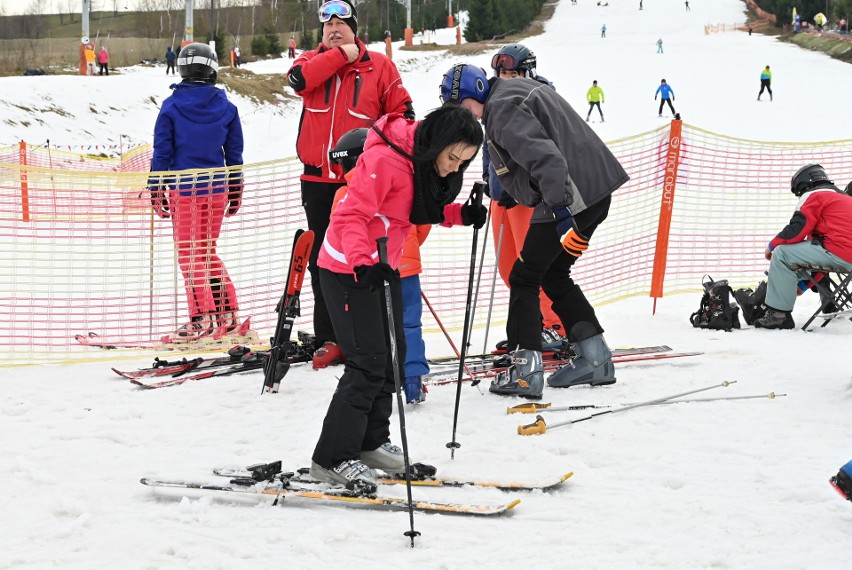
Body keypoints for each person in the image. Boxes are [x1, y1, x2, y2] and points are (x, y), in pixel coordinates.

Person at [309, 105, 486, 487]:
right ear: (436, 142)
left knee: (392, 358)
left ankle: (371, 443)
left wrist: (460, 215)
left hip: (381, 268)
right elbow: (349, 216)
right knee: (368, 363)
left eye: (464, 162)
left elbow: (412, 210)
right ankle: (331, 457)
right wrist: (361, 262)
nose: (454, 168)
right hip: (348, 271)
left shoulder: (419, 161)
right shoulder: (385, 160)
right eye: (452, 156)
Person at [440, 64, 630, 398]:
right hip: (595, 192)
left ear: (480, 90)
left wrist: (559, 210)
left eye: (464, 107)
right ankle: (595, 357)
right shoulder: (513, 93)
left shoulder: (501, 109)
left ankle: (524, 370)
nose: (463, 117)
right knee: (554, 274)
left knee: (525, 277)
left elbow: (546, 158)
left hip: (572, 197)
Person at [286, 0, 414, 370]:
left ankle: (362, 334)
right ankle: (329, 336)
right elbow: (299, 81)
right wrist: (340, 55)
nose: (334, 28)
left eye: (342, 23)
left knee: (361, 259)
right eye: (328, 25)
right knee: (322, 263)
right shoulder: (310, 62)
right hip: (316, 180)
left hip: (361, 183)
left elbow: (403, 116)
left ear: (355, 28)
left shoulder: (380, 67)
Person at [148, 43, 245, 340]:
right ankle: (226, 314)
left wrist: (156, 187)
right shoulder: (227, 107)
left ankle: (200, 318)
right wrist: (235, 187)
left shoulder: (171, 106)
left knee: (189, 256)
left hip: (185, 191)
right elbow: (234, 152)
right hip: (215, 188)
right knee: (205, 252)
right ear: (212, 68)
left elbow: (162, 151)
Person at [327, 128, 431, 405]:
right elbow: (422, 223)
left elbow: (342, 232)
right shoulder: (402, 185)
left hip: (374, 270)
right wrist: (409, 250)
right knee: (409, 324)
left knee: (382, 329)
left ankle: (386, 382)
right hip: (404, 265)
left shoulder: (348, 193)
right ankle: (413, 381)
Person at [485, 44, 564, 335]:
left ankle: (554, 325)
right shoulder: (496, 98)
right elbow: (490, 144)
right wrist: (488, 178)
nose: (506, 77)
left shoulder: (539, 96)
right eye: (502, 72)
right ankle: (529, 329)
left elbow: (545, 150)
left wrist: (523, 183)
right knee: (509, 270)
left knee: (534, 269)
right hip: (500, 197)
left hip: (528, 198)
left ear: (527, 71)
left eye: (513, 72)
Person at [753, 164, 852, 329]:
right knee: (799, 250)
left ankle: (778, 316)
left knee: (781, 252)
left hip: (839, 253)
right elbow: (823, 256)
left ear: (803, 185)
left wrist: (771, 246)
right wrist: (803, 286)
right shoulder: (845, 198)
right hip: (842, 256)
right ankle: (784, 296)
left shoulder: (815, 194)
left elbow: (797, 229)